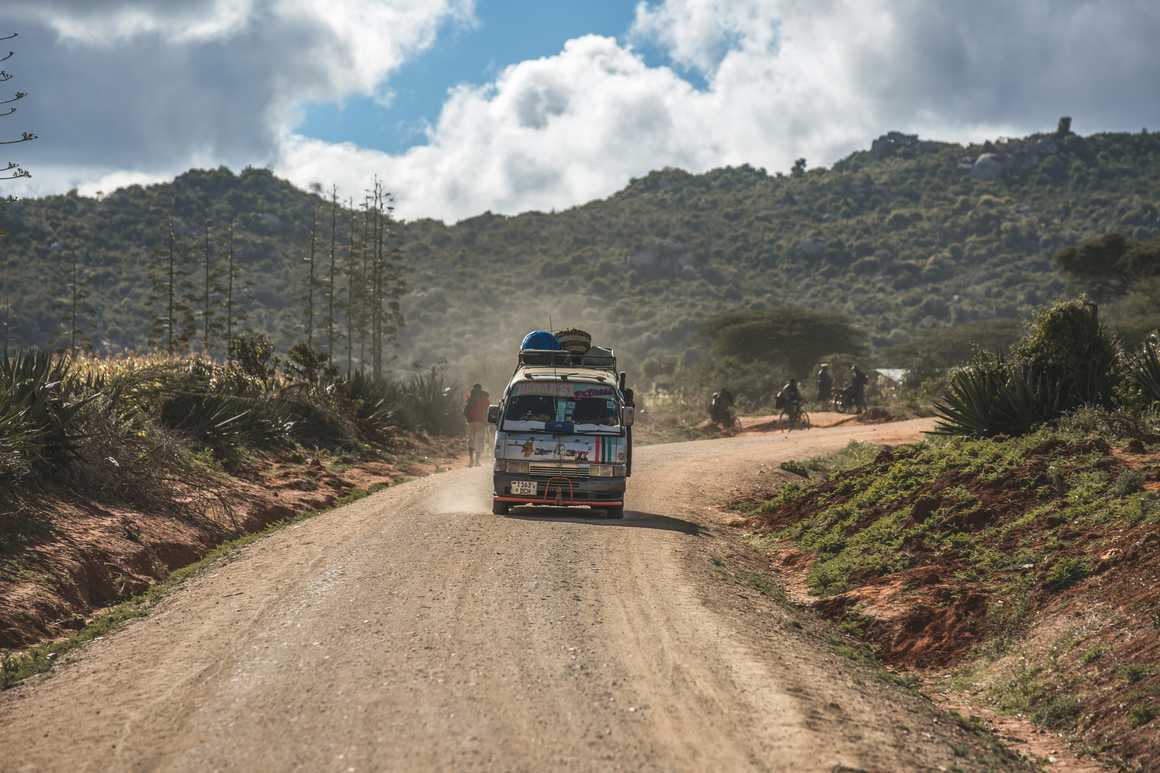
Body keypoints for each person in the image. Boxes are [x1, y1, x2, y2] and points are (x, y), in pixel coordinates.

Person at [463, 383, 490, 467]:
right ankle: (477, 461)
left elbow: (465, 411)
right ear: (480, 389)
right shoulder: (485, 399)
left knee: (471, 441)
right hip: (481, 423)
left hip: (471, 422)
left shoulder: (470, 398)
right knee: (479, 442)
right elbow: (487, 411)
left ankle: (471, 461)